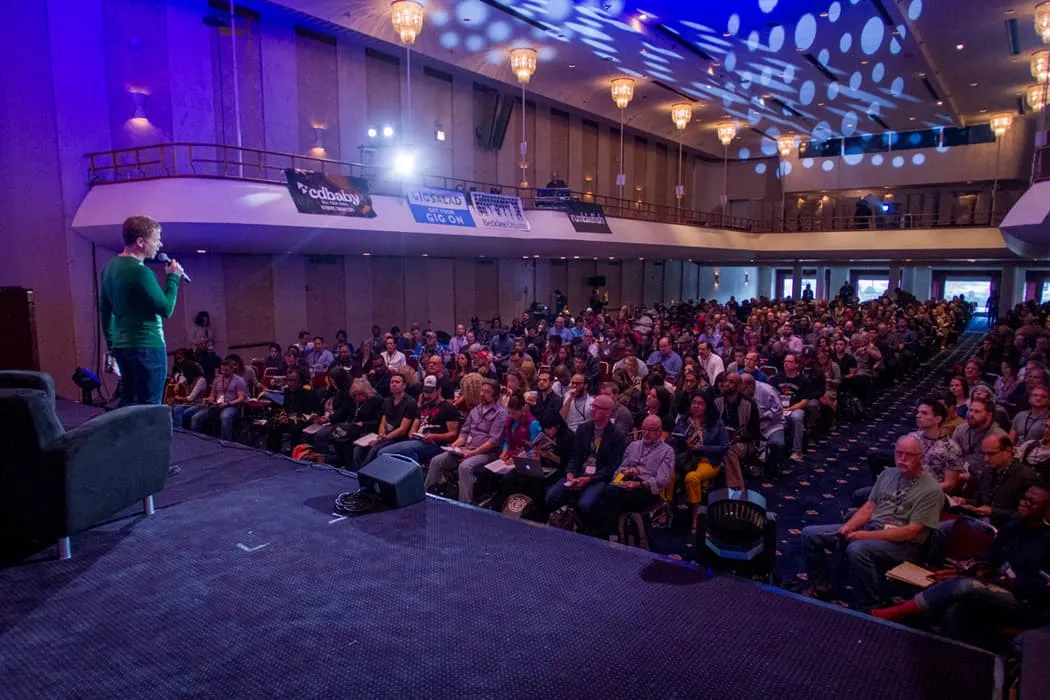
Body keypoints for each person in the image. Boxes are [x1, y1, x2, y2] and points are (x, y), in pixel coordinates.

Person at [872, 485, 1050, 645]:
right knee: (956, 608)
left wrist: (1008, 582)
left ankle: (899, 611)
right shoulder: (1014, 526)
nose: (1024, 503)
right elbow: (992, 555)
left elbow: (1042, 588)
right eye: (1024, 498)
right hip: (996, 585)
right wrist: (977, 564)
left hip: (1024, 601)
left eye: (1031, 502)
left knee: (964, 585)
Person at [801, 435, 945, 611]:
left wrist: (864, 535)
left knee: (857, 549)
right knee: (810, 534)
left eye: (909, 455)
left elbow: (912, 531)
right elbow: (869, 507)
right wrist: (849, 527)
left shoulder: (931, 490)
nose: (903, 458)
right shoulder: (887, 474)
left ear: (921, 458)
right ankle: (820, 587)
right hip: (873, 529)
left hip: (906, 545)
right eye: (899, 453)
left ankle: (871, 605)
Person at [100, 215, 186, 405]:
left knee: (129, 404)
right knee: (149, 408)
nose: (160, 244)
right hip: (147, 346)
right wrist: (173, 279)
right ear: (140, 242)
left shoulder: (109, 268)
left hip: (122, 347)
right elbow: (166, 309)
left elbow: (105, 313)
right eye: (155, 239)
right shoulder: (140, 271)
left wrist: (112, 345)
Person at [545, 395, 626, 524]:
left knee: (584, 504)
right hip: (579, 472)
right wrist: (570, 473)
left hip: (598, 477)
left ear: (608, 412)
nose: (593, 410)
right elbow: (575, 456)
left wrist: (589, 479)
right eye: (593, 406)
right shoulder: (584, 428)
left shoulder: (617, 435)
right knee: (551, 498)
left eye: (598, 408)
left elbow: (612, 467)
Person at [424, 379, 507, 503]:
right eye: (482, 391)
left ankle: (464, 504)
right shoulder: (475, 410)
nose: (482, 394)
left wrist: (471, 453)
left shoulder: (500, 413)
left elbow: (493, 442)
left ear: (495, 395)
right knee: (437, 460)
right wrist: (455, 445)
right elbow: (464, 433)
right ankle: (426, 495)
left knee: (465, 467)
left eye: (487, 392)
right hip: (466, 449)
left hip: (486, 453)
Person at [597, 414, 674, 540]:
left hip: (647, 488)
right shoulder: (633, 445)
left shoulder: (667, 451)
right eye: (644, 429)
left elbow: (662, 480)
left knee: (611, 497)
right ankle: (613, 533)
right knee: (607, 491)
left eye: (651, 430)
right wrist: (625, 474)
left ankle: (611, 534)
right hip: (626, 482)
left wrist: (639, 484)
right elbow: (620, 469)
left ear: (659, 432)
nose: (646, 433)